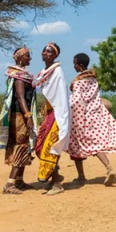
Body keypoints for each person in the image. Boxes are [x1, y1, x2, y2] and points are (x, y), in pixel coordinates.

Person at [68, 53, 116, 186]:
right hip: (96, 116)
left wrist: (71, 116)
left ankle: (81, 176)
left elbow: (76, 102)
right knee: (96, 145)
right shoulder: (93, 80)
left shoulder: (78, 82)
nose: (74, 66)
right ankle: (109, 168)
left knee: (76, 145)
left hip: (83, 118)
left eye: (75, 64)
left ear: (80, 65)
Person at [0, 46, 37, 195]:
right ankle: (10, 183)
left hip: (20, 115)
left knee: (25, 145)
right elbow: (20, 97)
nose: (29, 58)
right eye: (27, 56)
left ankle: (19, 180)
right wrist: (28, 115)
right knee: (21, 145)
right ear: (19, 58)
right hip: (20, 116)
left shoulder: (21, 75)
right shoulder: (19, 76)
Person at [33, 42, 71, 196]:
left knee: (51, 147)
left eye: (49, 51)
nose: (45, 53)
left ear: (55, 55)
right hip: (49, 113)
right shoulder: (44, 73)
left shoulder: (57, 72)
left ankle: (56, 183)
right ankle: (55, 176)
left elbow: (60, 96)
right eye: (44, 50)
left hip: (57, 114)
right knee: (40, 146)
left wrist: (61, 119)